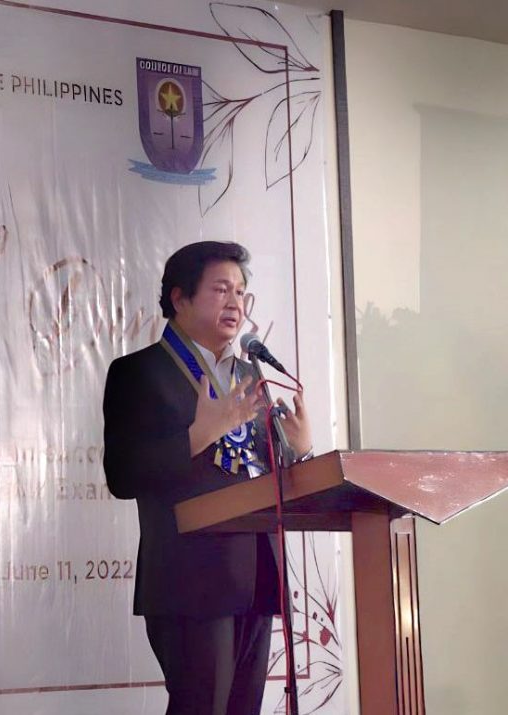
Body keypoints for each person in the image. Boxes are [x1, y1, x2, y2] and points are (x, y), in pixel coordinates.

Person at [102, 241, 312, 715]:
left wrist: (299, 451)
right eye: (221, 289)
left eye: (240, 292)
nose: (235, 302)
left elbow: (264, 476)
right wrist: (198, 436)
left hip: (257, 579)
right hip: (190, 583)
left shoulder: (250, 376)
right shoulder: (139, 373)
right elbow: (122, 475)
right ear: (180, 299)